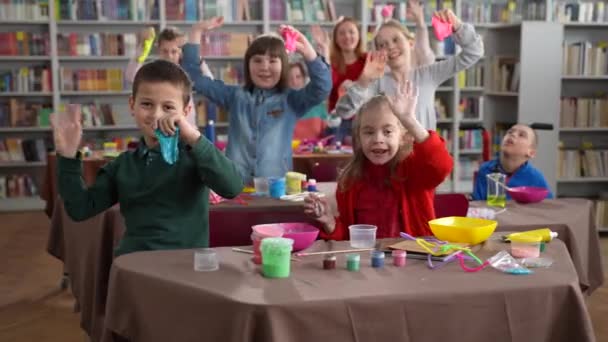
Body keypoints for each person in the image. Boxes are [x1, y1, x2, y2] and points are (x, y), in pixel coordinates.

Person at [51, 60, 244, 256]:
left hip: (186, 269)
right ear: (132, 105)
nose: (156, 115)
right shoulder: (123, 165)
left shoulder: (195, 156)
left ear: (186, 112)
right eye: (147, 104)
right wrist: (67, 157)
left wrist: (194, 137)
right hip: (134, 268)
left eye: (168, 107)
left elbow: (232, 187)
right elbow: (80, 209)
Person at [181, 20, 332, 185]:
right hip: (234, 185)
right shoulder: (235, 96)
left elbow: (322, 88)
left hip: (275, 188)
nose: (264, 67)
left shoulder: (291, 100)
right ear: (248, 64)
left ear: (284, 66)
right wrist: (195, 32)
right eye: (257, 61)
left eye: (273, 61)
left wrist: (309, 53)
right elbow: (195, 79)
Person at [304, 80, 453, 240]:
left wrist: (409, 120)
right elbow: (348, 238)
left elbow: (441, 166)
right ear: (358, 137)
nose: (377, 139)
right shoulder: (350, 181)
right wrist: (329, 221)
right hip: (367, 261)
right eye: (368, 132)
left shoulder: (415, 170)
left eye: (387, 131)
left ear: (402, 137)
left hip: (413, 259)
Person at [334, 9, 484, 131]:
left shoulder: (428, 74)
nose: (390, 47)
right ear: (378, 52)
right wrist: (363, 81)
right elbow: (344, 111)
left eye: (395, 39)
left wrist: (457, 26)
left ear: (411, 43)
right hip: (391, 162)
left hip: (425, 157)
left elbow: (474, 52)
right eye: (382, 45)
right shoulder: (377, 84)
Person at [312, 0, 436, 143]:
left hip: (367, 120)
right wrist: (325, 54)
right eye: (342, 33)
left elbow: (387, 50)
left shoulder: (369, 59)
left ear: (358, 35)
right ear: (336, 38)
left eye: (351, 32)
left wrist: (386, 21)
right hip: (339, 121)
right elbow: (325, 87)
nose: (347, 37)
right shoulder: (332, 62)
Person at [125, 25, 217, 126]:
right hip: (158, 128)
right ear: (159, 50)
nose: (169, 56)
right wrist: (143, 48)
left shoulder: (188, 70)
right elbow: (131, 76)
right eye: (165, 51)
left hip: (187, 128)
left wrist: (196, 58)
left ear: (181, 52)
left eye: (174, 51)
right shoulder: (153, 71)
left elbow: (211, 83)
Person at [472, 124, 553, 200]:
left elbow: (548, 206)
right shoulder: (486, 169)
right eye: (510, 132)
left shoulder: (535, 178)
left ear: (531, 153)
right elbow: (479, 205)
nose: (512, 134)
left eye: (521, 135)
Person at [287, 61, 329, 141]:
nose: (294, 82)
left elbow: (328, 134)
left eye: (298, 77)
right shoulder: (280, 107)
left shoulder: (319, 105)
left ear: (304, 78)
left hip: (317, 152)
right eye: (289, 78)